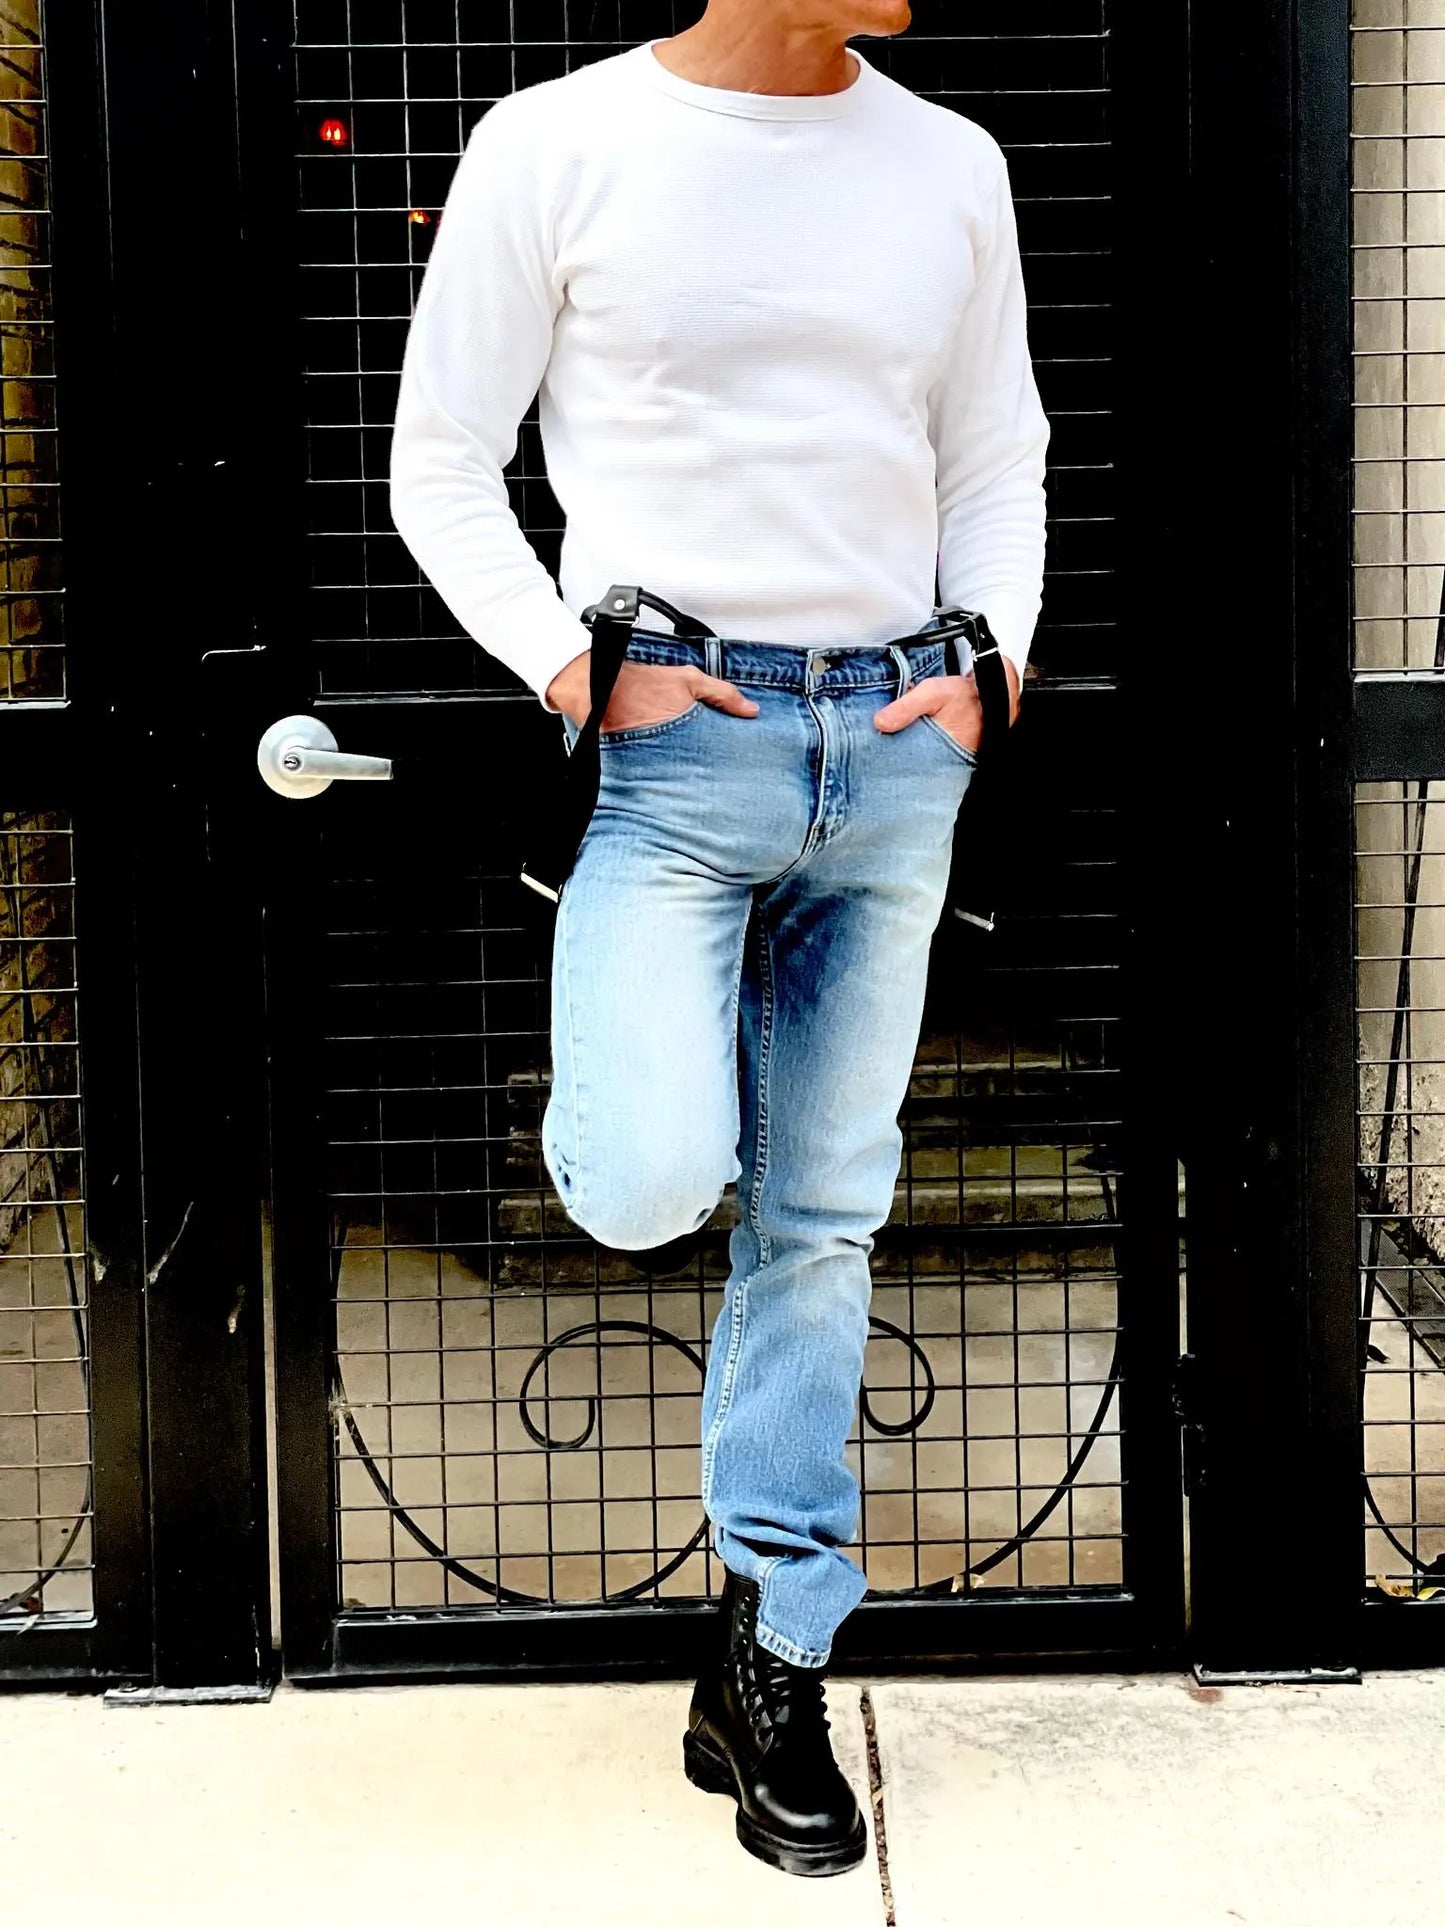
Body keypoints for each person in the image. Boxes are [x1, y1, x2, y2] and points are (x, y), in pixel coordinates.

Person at [389, 0, 1049, 1879]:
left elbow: (996, 449)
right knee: (645, 1179)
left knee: (823, 1215)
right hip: (679, 752)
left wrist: (991, 661)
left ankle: (770, 1657)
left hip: (901, 739)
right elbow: (439, 461)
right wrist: (568, 664)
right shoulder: (556, 140)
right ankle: (644, 1060)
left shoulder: (948, 160)